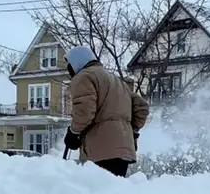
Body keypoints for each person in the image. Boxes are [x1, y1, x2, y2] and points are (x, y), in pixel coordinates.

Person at [63, 46, 149, 177]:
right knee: (114, 193)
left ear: (76, 63)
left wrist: (73, 133)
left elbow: (84, 111)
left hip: (100, 149)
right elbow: (142, 107)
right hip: (124, 150)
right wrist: (133, 131)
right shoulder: (117, 81)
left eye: (70, 66)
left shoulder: (84, 77)